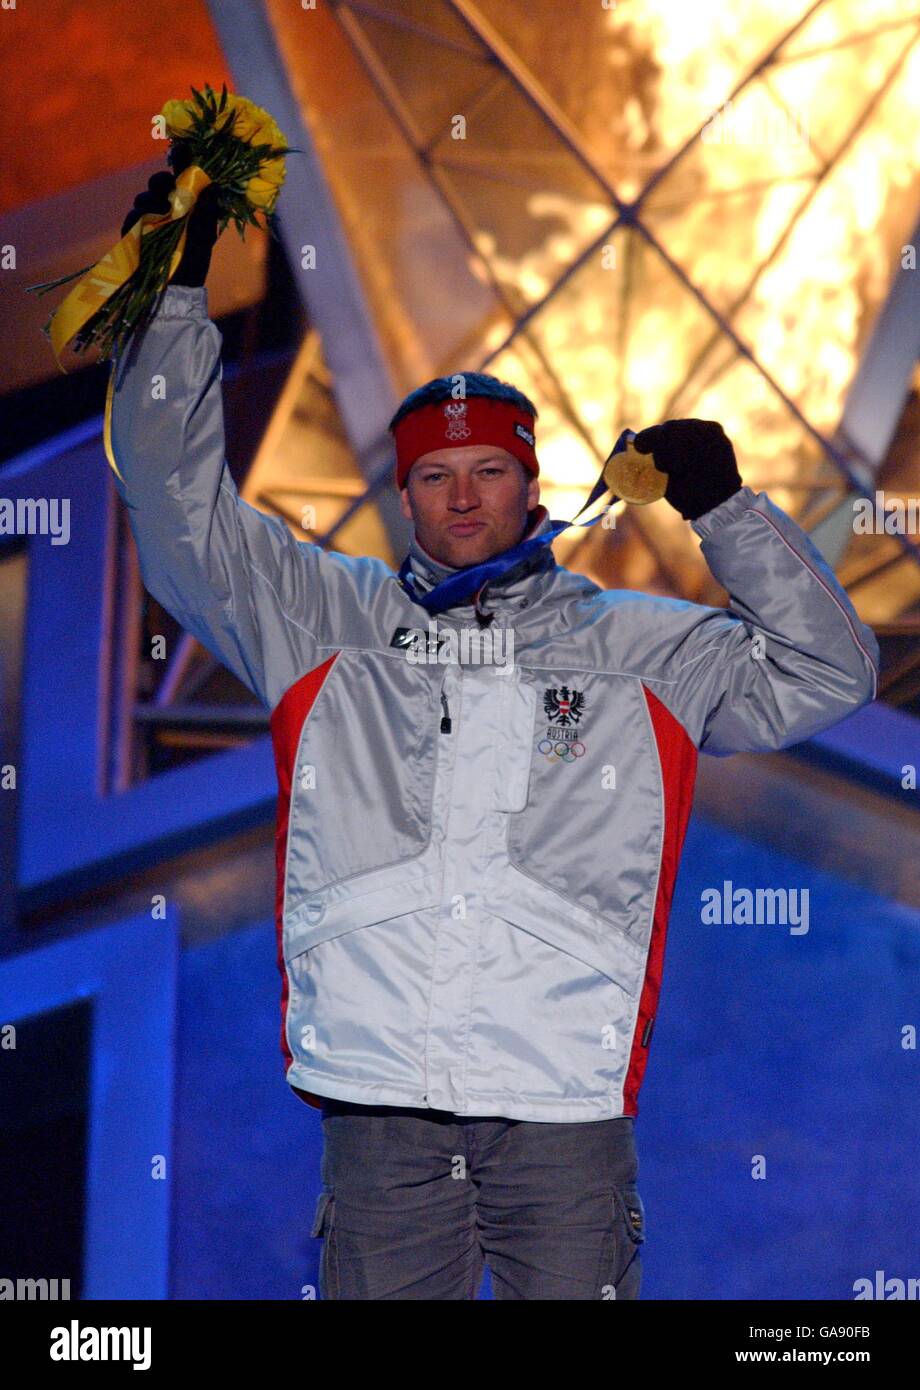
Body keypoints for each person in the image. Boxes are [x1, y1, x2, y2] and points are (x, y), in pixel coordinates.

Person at [109, 172, 880, 1300]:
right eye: (434, 475)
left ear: (532, 486)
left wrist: (723, 510)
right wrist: (172, 311)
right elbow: (178, 516)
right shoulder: (318, 618)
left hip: (565, 1110)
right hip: (381, 1113)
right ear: (404, 493)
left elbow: (828, 670)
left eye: (488, 472)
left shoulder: (642, 650)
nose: (461, 499)